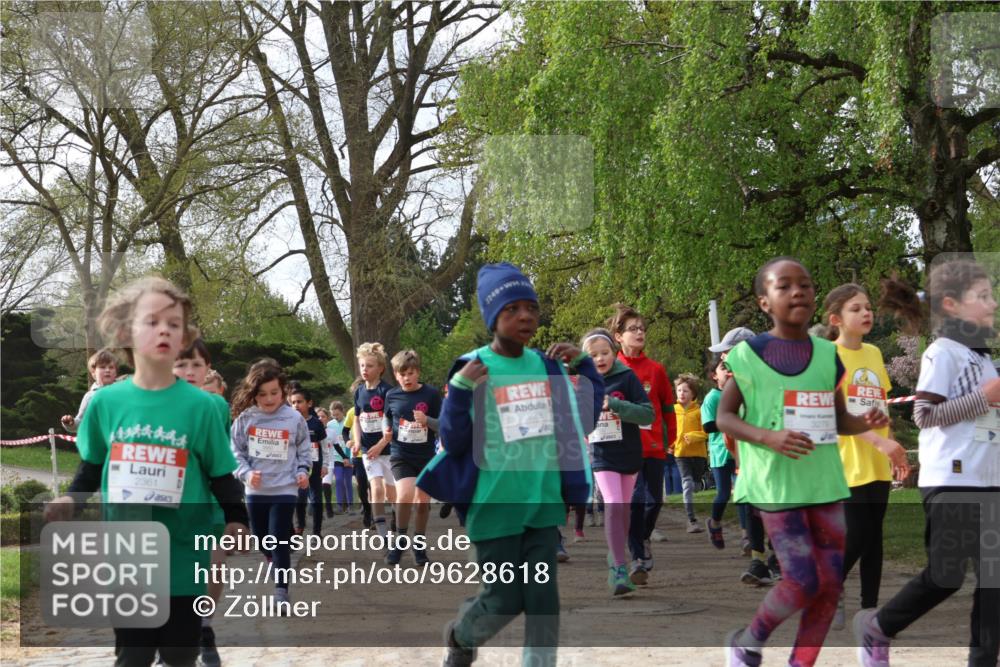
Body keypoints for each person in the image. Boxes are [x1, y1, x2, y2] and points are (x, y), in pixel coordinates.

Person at [44, 277, 250, 667]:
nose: (164, 330)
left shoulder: (202, 407)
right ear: (126, 332)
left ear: (184, 336)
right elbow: (93, 465)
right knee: (133, 654)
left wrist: (237, 519)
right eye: (152, 321)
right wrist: (72, 497)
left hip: (186, 553)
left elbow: (221, 474)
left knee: (179, 655)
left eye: (174, 324)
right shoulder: (105, 403)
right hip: (129, 554)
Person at [418, 262, 602, 667]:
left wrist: (585, 367)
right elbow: (454, 440)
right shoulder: (474, 367)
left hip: (541, 504)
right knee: (503, 598)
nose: (525, 316)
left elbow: (579, 423)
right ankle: (462, 636)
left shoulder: (547, 366)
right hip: (493, 505)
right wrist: (460, 390)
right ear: (492, 316)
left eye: (531, 308)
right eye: (512, 309)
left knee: (542, 601)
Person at [717, 257, 888, 667]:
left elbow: (838, 417)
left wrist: (863, 421)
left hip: (825, 482)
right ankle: (748, 643)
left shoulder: (829, 355)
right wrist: (768, 437)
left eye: (805, 284)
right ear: (764, 302)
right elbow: (725, 417)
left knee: (828, 589)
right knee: (802, 580)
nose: (798, 292)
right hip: (775, 484)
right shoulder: (748, 354)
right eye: (784, 286)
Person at [854, 259, 999, 667]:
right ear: (952, 305)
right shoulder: (942, 352)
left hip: (988, 481)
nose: (992, 304)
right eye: (983, 296)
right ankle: (879, 627)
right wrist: (985, 397)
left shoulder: (982, 358)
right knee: (945, 576)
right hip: (952, 480)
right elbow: (924, 414)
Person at [820, 284, 911, 631]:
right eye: (856, 309)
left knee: (874, 539)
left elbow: (880, 407)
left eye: (868, 307)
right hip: (845, 460)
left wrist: (893, 448)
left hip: (877, 460)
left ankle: (869, 612)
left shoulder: (873, 353)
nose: (866, 313)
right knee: (858, 534)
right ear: (836, 319)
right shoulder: (826, 356)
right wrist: (879, 443)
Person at [172, 338, 236, 667]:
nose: (189, 371)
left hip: (208, 497)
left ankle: (204, 627)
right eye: (181, 364)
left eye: (197, 365)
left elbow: (220, 456)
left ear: (207, 368)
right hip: (166, 501)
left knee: (213, 563)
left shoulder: (216, 406)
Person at [230, 359, 311, 609]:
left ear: (283, 390)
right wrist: (245, 473)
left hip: (286, 487)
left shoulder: (294, 418)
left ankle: (281, 592)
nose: (269, 399)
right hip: (256, 489)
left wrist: (302, 471)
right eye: (262, 394)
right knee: (261, 536)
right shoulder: (245, 419)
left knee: (278, 537)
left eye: (274, 393)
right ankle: (274, 561)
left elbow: (304, 449)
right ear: (253, 394)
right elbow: (235, 452)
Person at [581, 327, 653, 596]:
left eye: (604, 353)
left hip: (629, 453)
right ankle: (619, 569)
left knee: (623, 509)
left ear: (614, 352)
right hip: (601, 455)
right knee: (613, 503)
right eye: (593, 355)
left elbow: (647, 414)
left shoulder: (627, 377)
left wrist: (615, 405)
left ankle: (615, 556)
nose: (600, 359)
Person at [606, 304, 674, 585]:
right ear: (618, 336)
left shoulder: (655, 370)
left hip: (654, 446)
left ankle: (643, 537)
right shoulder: (612, 369)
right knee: (635, 502)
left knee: (654, 499)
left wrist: (671, 437)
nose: (640, 333)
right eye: (633, 329)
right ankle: (636, 557)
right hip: (625, 449)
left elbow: (667, 407)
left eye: (642, 329)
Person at [383, 349, 442, 565]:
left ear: (418, 372)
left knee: (422, 502)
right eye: (402, 374)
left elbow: (443, 424)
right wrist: (386, 429)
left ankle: (418, 545)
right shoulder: (391, 395)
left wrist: (427, 420)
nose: (407, 378)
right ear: (396, 375)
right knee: (405, 495)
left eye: (411, 373)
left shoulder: (431, 394)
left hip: (425, 456)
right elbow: (386, 417)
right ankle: (400, 541)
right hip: (401, 455)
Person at [353, 343, 397, 542]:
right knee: (376, 489)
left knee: (392, 494)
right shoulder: (358, 392)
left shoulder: (387, 391)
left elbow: (393, 425)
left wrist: (380, 445)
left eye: (369, 366)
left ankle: (397, 516)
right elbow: (357, 419)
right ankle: (383, 535)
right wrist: (356, 441)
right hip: (368, 450)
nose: (365, 369)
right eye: (362, 365)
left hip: (387, 449)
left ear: (380, 368)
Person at [290, 386, 328, 536]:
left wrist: (325, 465)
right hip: (297, 467)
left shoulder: (316, 423)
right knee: (299, 497)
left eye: (299, 402)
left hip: (315, 466)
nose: (296, 405)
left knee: (316, 499)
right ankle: (299, 527)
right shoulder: (289, 422)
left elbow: (324, 446)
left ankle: (316, 532)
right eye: (293, 402)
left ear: (309, 403)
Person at [673, 373, 708, 533]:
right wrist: (670, 444)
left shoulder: (699, 411)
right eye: (679, 390)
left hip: (698, 455)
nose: (682, 393)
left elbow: (706, 433)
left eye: (685, 391)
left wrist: (694, 436)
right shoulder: (673, 410)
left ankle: (700, 483)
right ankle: (691, 520)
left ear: (693, 394)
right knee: (687, 484)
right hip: (680, 454)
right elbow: (669, 430)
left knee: (695, 486)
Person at [61, 348, 118, 432]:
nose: (107, 370)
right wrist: (71, 423)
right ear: (93, 373)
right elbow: (81, 422)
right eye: (102, 367)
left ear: (116, 372)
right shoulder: (90, 397)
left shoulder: (123, 393)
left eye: (111, 367)